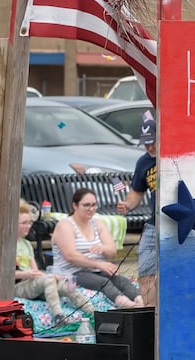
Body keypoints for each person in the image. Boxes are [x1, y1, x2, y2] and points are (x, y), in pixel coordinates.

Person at [50, 188, 143, 308]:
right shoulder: (65, 225)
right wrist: (99, 264)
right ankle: (128, 306)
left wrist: (102, 249)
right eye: (86, 205)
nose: (91, 209)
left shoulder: (97, 223)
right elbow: (70, 256)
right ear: (75, 205)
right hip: (71, 272)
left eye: (94, 205)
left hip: (95, 271)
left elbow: (112, 251)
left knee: (122, 281)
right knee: (103, 282)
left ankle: (141, 303)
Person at [13, 200, 91, 320]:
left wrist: (51, 276)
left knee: (66, 285)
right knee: (49, 279)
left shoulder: (27, 244)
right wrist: (26, 274)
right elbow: (6, 276)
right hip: (18, 287)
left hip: (32, 283)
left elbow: (35, 271)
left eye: (29, 222)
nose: (28, 226)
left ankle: (92, 311)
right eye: (24, 223)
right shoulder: (9, 247)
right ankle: (59, 316)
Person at [117, 110, 159, 307]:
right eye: (146, 142)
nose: (149, 146)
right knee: (146, 270)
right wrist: (127, 204)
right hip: (153, 223)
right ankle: (150, 312)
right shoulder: (143, 162)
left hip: (177, 223)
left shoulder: (172, 155)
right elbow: (136, 192)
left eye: (153, 141)